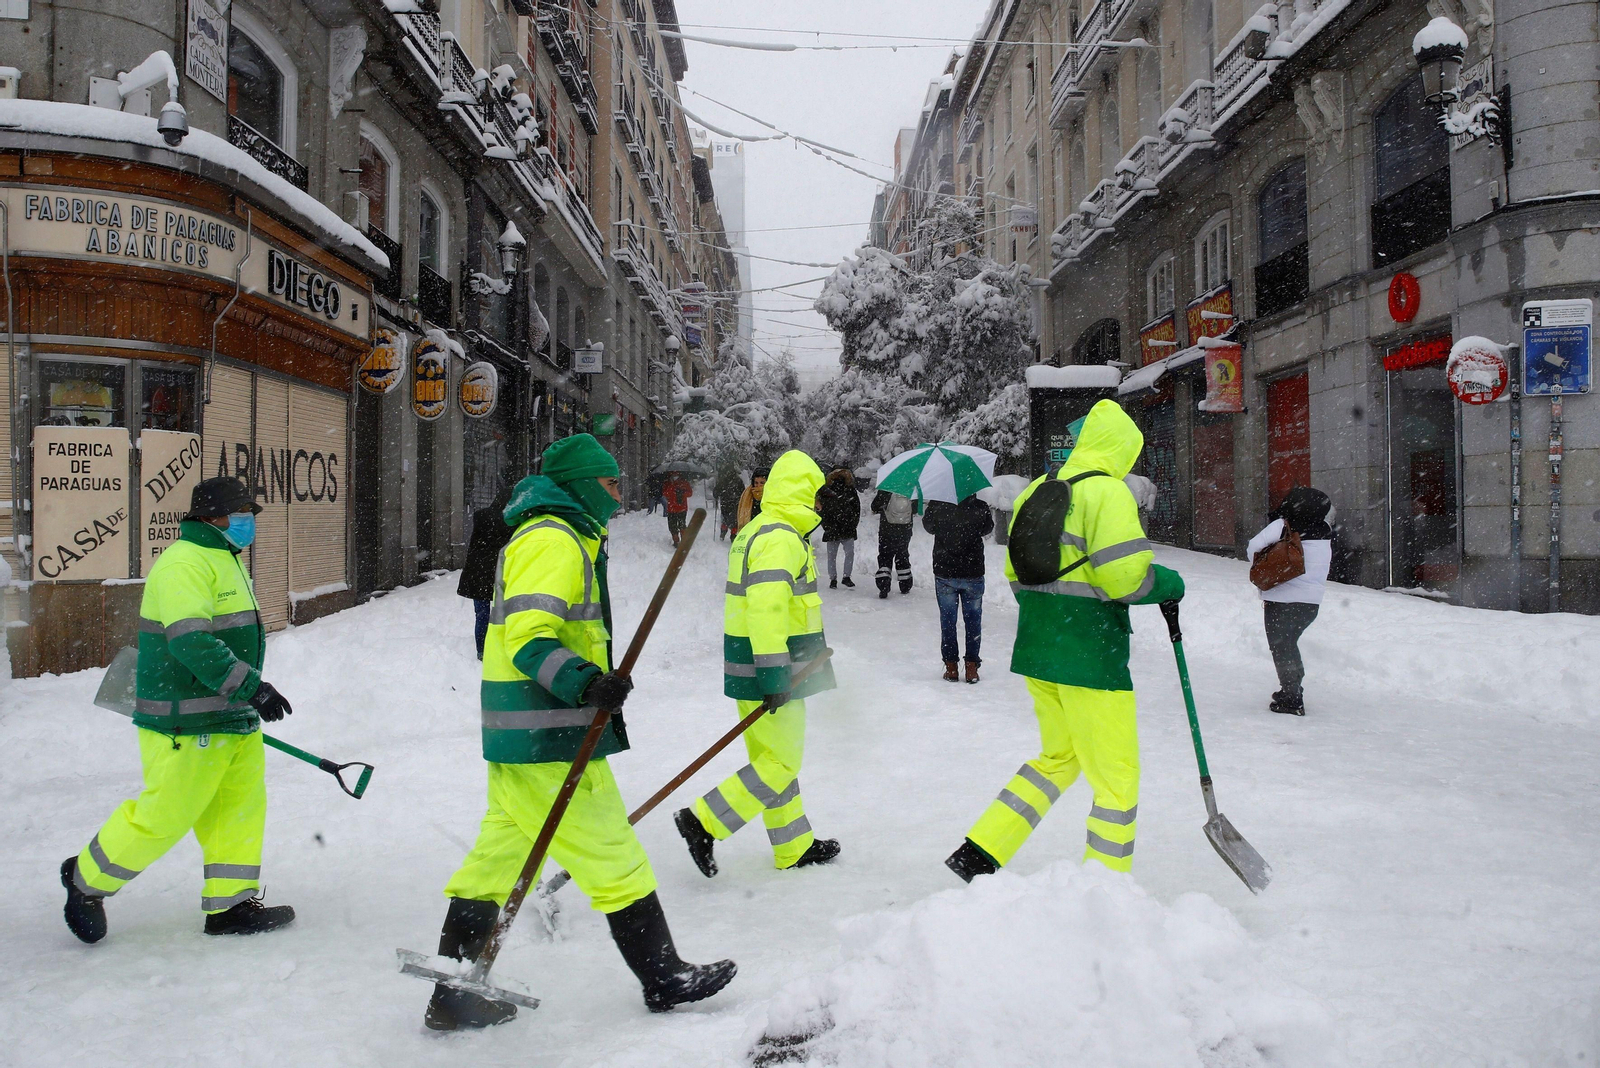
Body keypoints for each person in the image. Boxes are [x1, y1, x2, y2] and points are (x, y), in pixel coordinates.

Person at [425, 434, 735, 1030]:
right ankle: (664, 976)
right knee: (612, 853)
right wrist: (586, 683)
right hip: (551, 735)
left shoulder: (559, 535)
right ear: (582, 485)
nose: (619, 499)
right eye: (611, 485)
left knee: (496, 862)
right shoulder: (553, 541)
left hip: (527, 732)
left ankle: (453, 992)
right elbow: (528, 639)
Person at [945, 400, 1185, 883]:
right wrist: (1167, 584)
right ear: (1121, 450)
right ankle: (1105, 887)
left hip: (1039, 647)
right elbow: (1124, 577)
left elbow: (1016, 570)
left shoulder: (1038, 490)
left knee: (1058, 758)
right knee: (1116, 780)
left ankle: (980, 849)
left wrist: (1048, 606)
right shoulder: (1108, 494)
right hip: (1091, 655)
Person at [61, 476, 297, 943]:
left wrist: (245, 698)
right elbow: (191, 642)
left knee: (238, 810)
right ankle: (85, 879)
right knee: (167, 813)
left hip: (228, 716)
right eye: (240, 513)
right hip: (185, 719)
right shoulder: (184, 564)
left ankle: (229, 906)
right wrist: (253, 687)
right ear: (210, 516)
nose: (248, 522)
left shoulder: (224, 559)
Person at [675, 450, 841, 877]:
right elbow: (766, 609)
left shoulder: (759, 530)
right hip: (772, 668)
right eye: (816, 494)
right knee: (781, 762)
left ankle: (793, 846)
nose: (821, 503)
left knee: (772, 757)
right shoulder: (780, 537)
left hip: (758, 665)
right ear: (800, 492)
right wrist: (774, 674)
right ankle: (703, 821)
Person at [1247, 486, 1333, 717]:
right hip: (1311, 603)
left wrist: (1267, 562)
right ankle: (1292, 688)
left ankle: (1292, 697)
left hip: (1282, 599)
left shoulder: (1284, 525)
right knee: (1289, 645)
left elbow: (1253, 548)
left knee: (1282, 648)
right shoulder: (1325, 530)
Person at [922, 494, 994, 683]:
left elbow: (928, 527)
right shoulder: (980, 506)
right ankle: (971, 667)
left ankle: (951, 667)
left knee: (948, 621)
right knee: (973, 621)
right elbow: (988, 528)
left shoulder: (939, 505)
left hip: (945, 572)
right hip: (973, 572)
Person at [458, 482, 516, 659]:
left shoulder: (480, 516)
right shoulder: (512, 520)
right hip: (501, 571)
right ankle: (502, 645)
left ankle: (481, 649)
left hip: (478, 570)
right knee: (505, 612)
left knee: (481, 613)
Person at [817, 468, 861, 589]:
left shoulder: (826, 491)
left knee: (832, 556)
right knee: (848, 553)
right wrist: (852, 524)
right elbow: (857, 509)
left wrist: (826, 525)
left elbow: (821, 511)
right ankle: (845, 577)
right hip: (845, 527)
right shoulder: (849, 490)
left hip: (834, 528)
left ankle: (834, 579)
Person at [871, 489, 916, 598]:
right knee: (902, 555)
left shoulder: (887, 487)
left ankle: (884, 585)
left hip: (887, 529)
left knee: (885, 555)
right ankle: (905, 585)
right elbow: (914, 509)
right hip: (905, 529)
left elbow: (875, 506)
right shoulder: (911, 489)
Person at [662, 471, 693, 547]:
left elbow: (690, 493)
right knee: (676, 525)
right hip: (676, 508)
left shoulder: (682, 483)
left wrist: (681, 492)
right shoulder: (669, 483)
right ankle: (678, 540)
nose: (675, 476)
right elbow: (665, 493)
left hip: (677, 508)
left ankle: (680, 540)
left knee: (678, 525)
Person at [715, 467, 745, 540]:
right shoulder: (738, 481)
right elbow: (743, 492)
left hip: (725, 503)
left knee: (725, 519)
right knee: (734, 520)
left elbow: (716, 491)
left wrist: (717, 495)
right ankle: (733, 534)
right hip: (735, 503)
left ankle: (723, 532)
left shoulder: (723, 481)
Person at [736, 467, 769, 533]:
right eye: (756, 483)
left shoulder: (773, 496)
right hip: (750, 533)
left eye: (762, 483)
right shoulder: (748, 495)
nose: (758, 486)